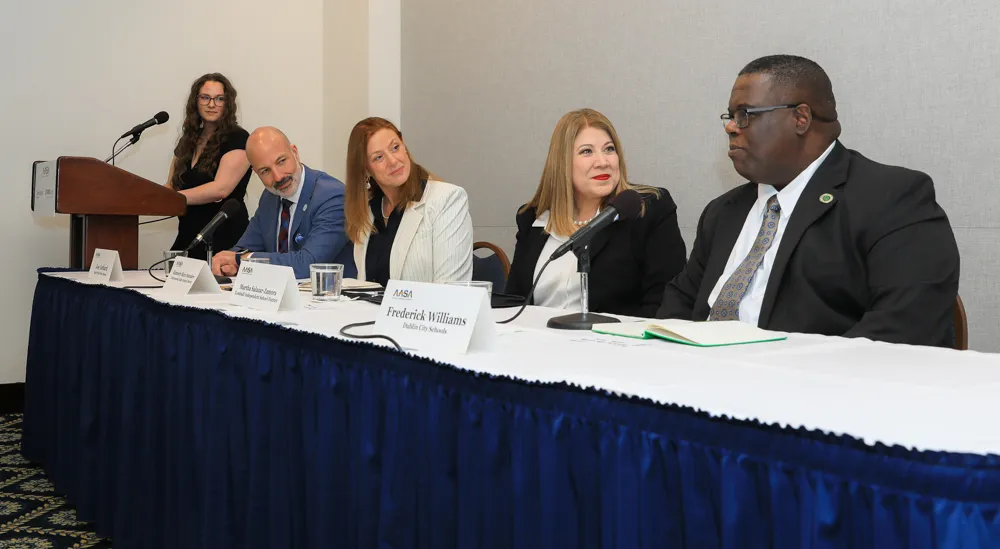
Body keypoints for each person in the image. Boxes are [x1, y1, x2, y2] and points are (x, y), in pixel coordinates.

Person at [657, 55, 960, 347]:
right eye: (731, 116)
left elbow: (904, 328)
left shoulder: (892, 198)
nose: (731, 126)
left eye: (745, 115)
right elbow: (677, 310)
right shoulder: (723, 212)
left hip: (816, 390)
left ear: (800, 118)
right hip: (695, 386)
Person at [505, 108, 687, 317]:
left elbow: (666, 304)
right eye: (586, 151)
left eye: (609, 149)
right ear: (562, 163)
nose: (603, 162)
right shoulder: (533, 218)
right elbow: (513, 303)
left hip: (615, 344)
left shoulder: (649, 210)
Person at [211, 127, 354, 279]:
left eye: (281, 161)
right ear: (256, 173)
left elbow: (309, 265)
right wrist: (229, 263)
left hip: (327, 297)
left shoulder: (332, 196)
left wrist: (242, 260)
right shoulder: (270, 196)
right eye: (265, 171)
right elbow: (244, 248)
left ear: (295, 153)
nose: (278, 177)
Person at [344, 117, 473, 285]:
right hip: (373, 311)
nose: (393, 161)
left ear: (404, 145)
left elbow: (451, 289)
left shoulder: (448, 199)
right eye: (378, 158)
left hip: (426, 311)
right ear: (365, 169)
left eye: (395, 148)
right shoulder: (368, 212)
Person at [167, 73, 252, 260]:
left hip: (223, 237)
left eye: (219, 99)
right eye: (205, 97)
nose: (212, 104)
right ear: (195, 102)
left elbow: (220, 189)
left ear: (228, 104)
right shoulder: (188, 140)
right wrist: (144, 197)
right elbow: (171, 186)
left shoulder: (238, 138)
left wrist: (172, 198)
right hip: (188, 234)